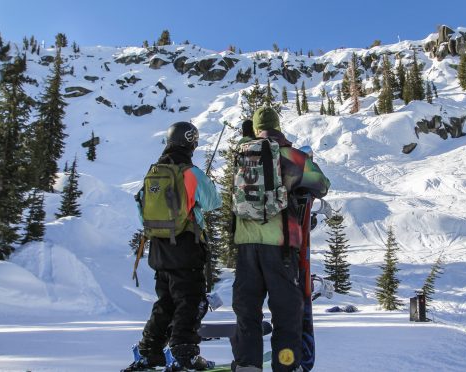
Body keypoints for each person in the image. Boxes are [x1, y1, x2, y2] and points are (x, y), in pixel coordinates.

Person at [231, 107, 330, 372]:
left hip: (245, 245)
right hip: (281, 247)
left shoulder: (242, 154)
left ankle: (247, 366)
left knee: (247, 311)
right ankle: (286, 366)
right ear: (278, 126)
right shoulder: (291, 156)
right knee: (286, 313)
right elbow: (321, 184)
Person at [124, 121, 221, 372]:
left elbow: (141, 208)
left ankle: (149, 352)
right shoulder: (189, 172)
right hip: (186, 247)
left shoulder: (153, 172)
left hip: (158, 248)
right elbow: (213, 202)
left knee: (165, 301)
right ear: (191, 142)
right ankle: (183, 352)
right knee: (191, 301)